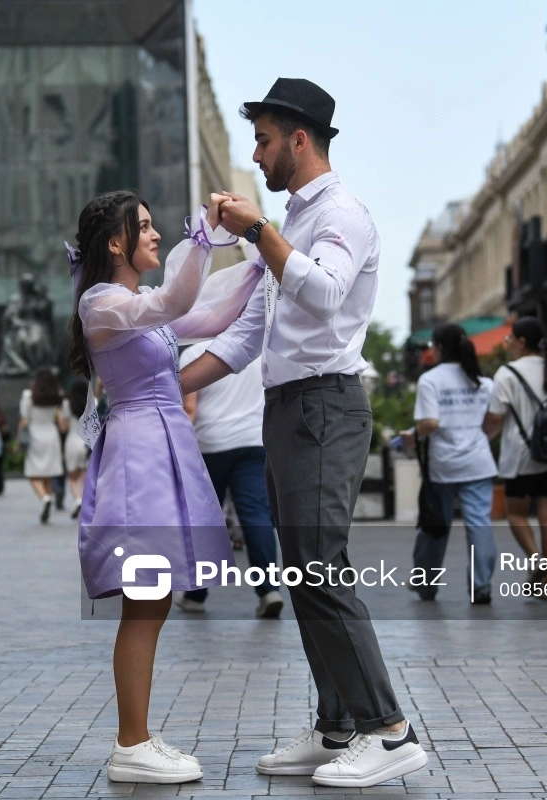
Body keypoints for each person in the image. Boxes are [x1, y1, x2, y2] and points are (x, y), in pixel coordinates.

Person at [180, 78, 427, 788]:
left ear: (298, 139)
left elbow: (323, 293)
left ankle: (390, 730)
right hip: (288, 406)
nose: (255, 156)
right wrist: (163, 388)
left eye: (262, 140)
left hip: (326, 403)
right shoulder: (290, 225)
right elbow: (246, 336)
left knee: (320, 564)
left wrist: (259, 231)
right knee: (304, 569)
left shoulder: (341, 214)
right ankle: (336, 724)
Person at [71, 188, 259, 784]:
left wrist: (264, 260)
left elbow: (210, 315)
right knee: (145, 603)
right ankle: (131, 743)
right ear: (116, 242)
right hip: (139, 456)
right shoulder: (102, 302)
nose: (156, 235)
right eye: (146, 227)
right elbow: (182, 297)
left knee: (152, 603)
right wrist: (206, 232)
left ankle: (139, 737)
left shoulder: (131, 301)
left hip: (159, 446)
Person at [175, 341, 284, 618]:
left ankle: (196, 594)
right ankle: (269, 590)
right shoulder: (259, 348)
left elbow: (189, 407)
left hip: (210, 444)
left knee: (204, 520)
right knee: (257, 515)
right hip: (254, 441)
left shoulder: (195, 353)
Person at [410, 324, 498, 603]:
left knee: (435, 524)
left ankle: (426, 582)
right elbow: (495, 419)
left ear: (439, 347)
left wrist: (412, 435)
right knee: (479, 524)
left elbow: (430, 423)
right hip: (478, 461)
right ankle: (481, 585)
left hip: (444, 463)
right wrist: (480, 436)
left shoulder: (431, 380)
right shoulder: (484, 382)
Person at [483, 316, 547, 592]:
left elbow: (495, 418)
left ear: (522, 342)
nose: (507, 344)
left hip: (520, 456)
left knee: (516, 515)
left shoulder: (507, 374)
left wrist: (484, 435)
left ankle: (536, 560)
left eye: (510, 339)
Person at [18, 368, 66, 524]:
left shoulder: (28, 396)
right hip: (52, 435)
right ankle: (48, 497)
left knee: (32, 473)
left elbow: (24, 420)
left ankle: (45, 498)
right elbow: (61, 422)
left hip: (35, 434)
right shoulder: (56, 396)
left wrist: (19, 440)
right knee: (48, 472)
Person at [61, 379, 90, 519]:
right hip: (87, 442)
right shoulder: (93, 402)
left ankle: (78, 499)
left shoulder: (67, 404)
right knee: (85, 474)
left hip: (72, 441)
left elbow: (63, 427)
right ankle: (86, 501)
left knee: (72, 477)